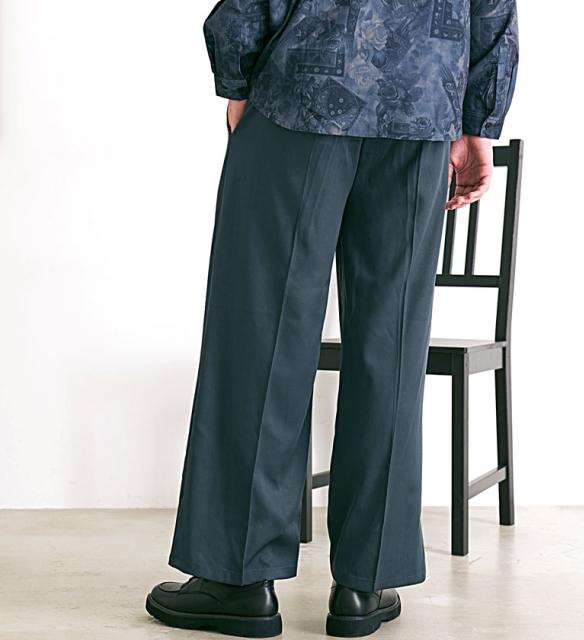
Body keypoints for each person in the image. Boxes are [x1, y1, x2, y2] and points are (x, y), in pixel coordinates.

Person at [145, 0, 518, 636]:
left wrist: (237, 81)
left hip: (301, 96)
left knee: (261, 334)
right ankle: (366, 584)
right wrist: (478, 123)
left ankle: (238, 579)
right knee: (391, 345)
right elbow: (493, 10)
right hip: (423, 104)